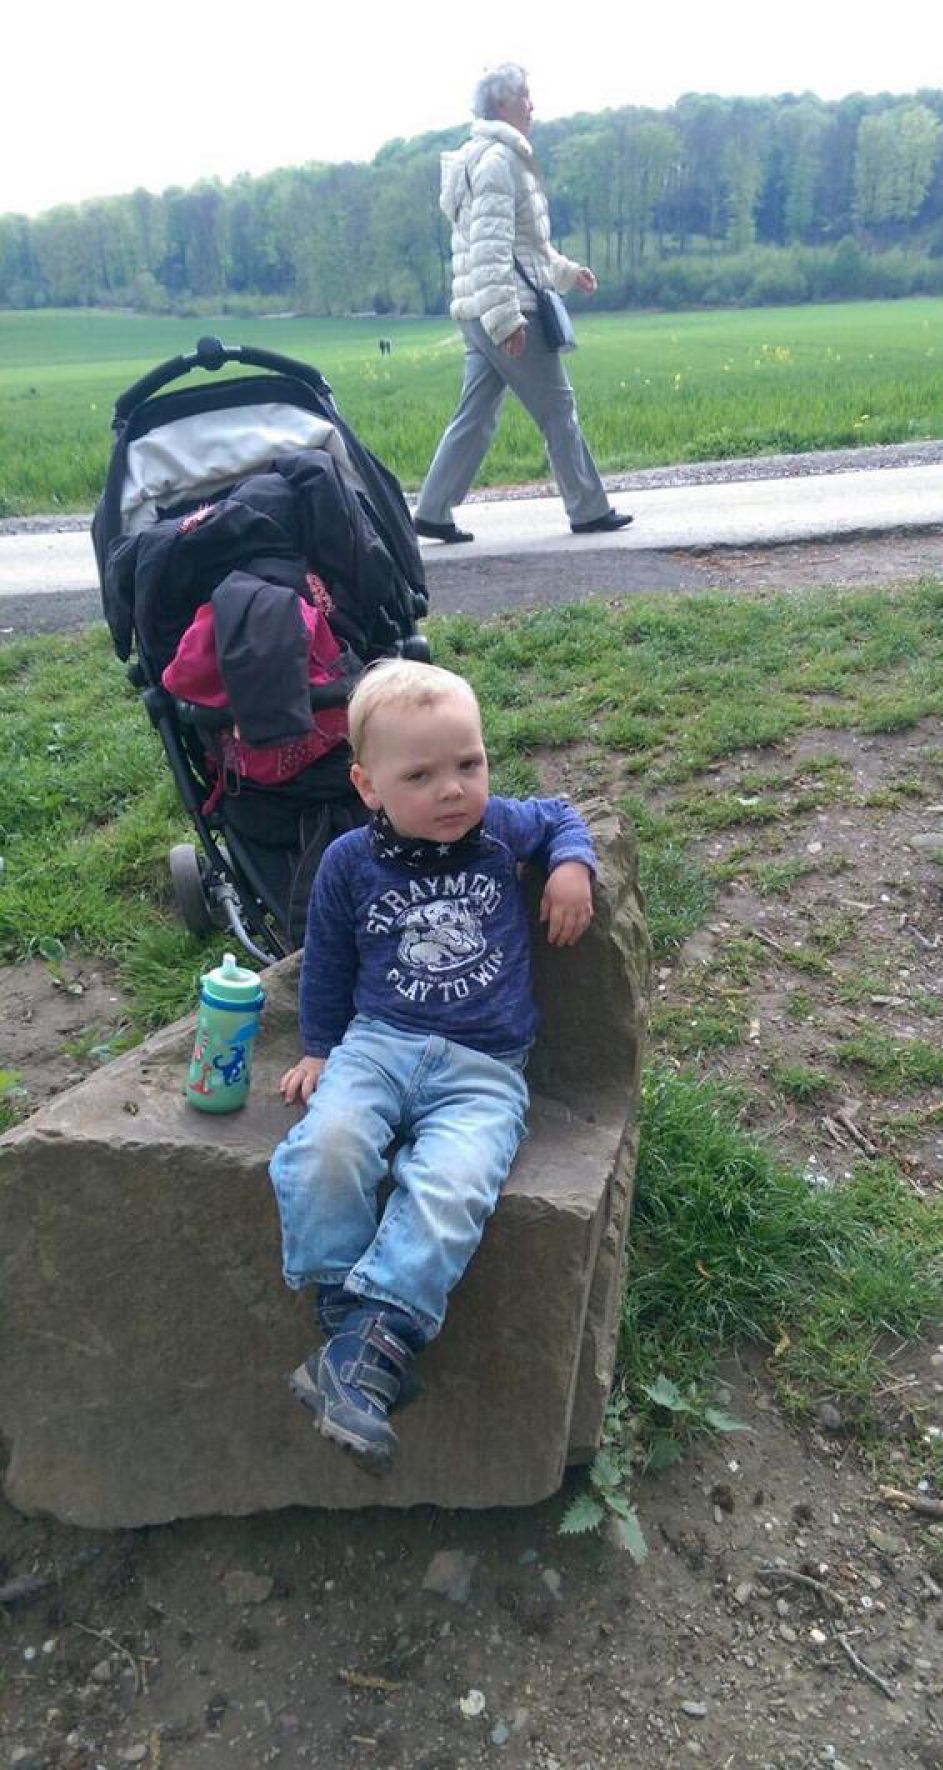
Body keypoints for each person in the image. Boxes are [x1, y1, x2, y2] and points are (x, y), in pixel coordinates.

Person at [268, 658, 596, 1474]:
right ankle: (354, 1329)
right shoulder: (349, 861)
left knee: (451, 1189)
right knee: (328, 1147)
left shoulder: (499, 830)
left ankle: (363, 1349)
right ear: (368, 786)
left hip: (484, 1069)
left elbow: (561, 816)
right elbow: (327, 961)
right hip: (376, 1045)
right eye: (420, 775)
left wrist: (570, 866)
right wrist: (318, 1048)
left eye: (468, 764)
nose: (452, 790)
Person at [413, 62, 631, 545]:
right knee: (559, 409)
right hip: (507, 310)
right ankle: (588, 509)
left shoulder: (481, 159)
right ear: (501, 103)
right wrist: (508, 321)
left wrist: (567, 272)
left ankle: (432, 510)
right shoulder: (499, 162)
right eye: (525, 96)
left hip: (477, 310)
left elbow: (524, 247)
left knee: (475, 415)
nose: (533, 105)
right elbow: (491, 250)